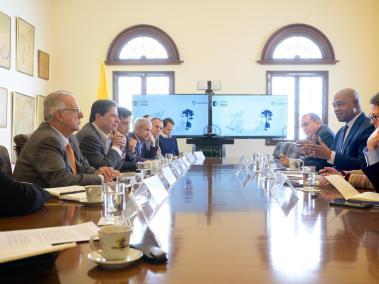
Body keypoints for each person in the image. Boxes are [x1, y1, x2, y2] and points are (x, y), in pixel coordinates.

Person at [14, 91, 118, 188]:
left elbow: (85, 167)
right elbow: (61, 180)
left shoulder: (71, 138)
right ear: (59, 115)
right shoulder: (46, 140)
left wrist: (100, 172)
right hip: (42, 204)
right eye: (76, 110)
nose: (82, 115)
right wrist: (100, 178)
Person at [301, 88, 374, 170]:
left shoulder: (369, 126)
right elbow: (331, 161)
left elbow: (365, 165)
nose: (336, 109)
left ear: (355, 103)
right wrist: (314, 152)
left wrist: (329, 155)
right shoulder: (340, 132)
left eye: (340, 104)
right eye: (334, 106)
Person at [76, 100, 129, 171]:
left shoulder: (108, 135)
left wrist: (120, 148)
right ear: (98, 116)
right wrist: (116, 147)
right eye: (113, 116)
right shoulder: (89, 136)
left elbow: (116, 168)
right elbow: (104, 168)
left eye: (117, 116)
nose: (118, 120)